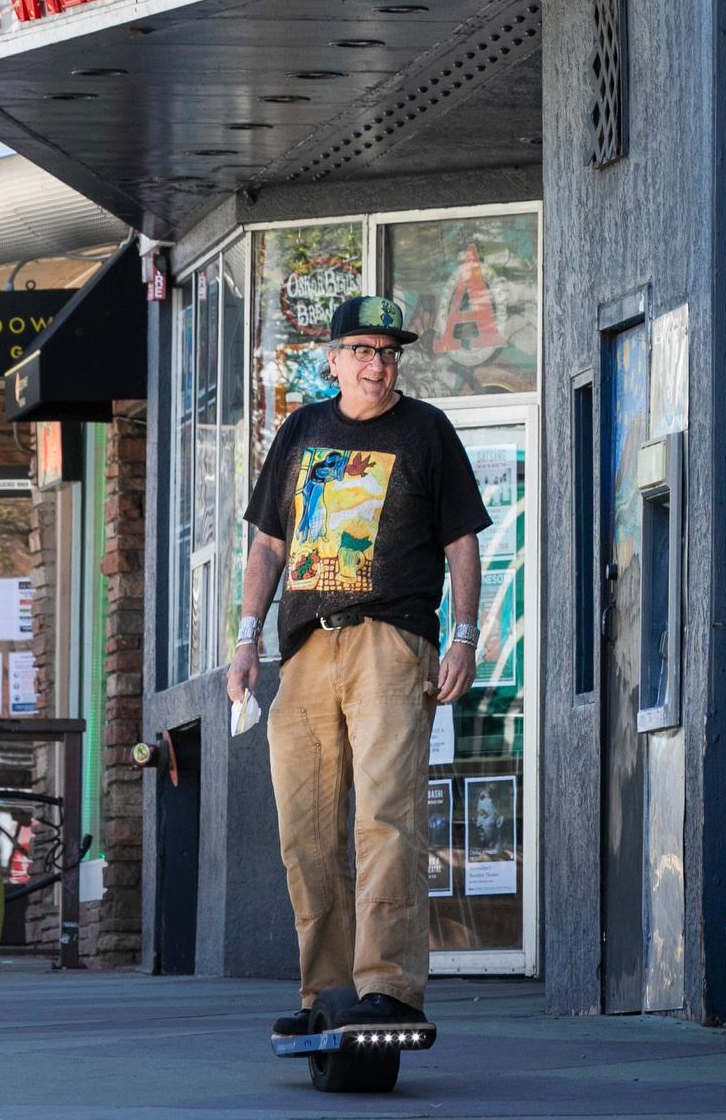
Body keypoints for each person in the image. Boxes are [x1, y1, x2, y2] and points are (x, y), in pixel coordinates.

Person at [228, 294, 489, 1035]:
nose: (378, 365)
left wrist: (463, 635)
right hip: (306, 649)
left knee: (385, 819)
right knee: (305, 832)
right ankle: (327, 994)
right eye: (364, 351)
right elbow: (269, 546)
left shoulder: (426, 431)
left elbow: (462, 541)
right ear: (334, 360)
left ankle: (389, 987)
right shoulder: (303, 429)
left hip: (391, 640)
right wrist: (246, 640)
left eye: (389, 352)